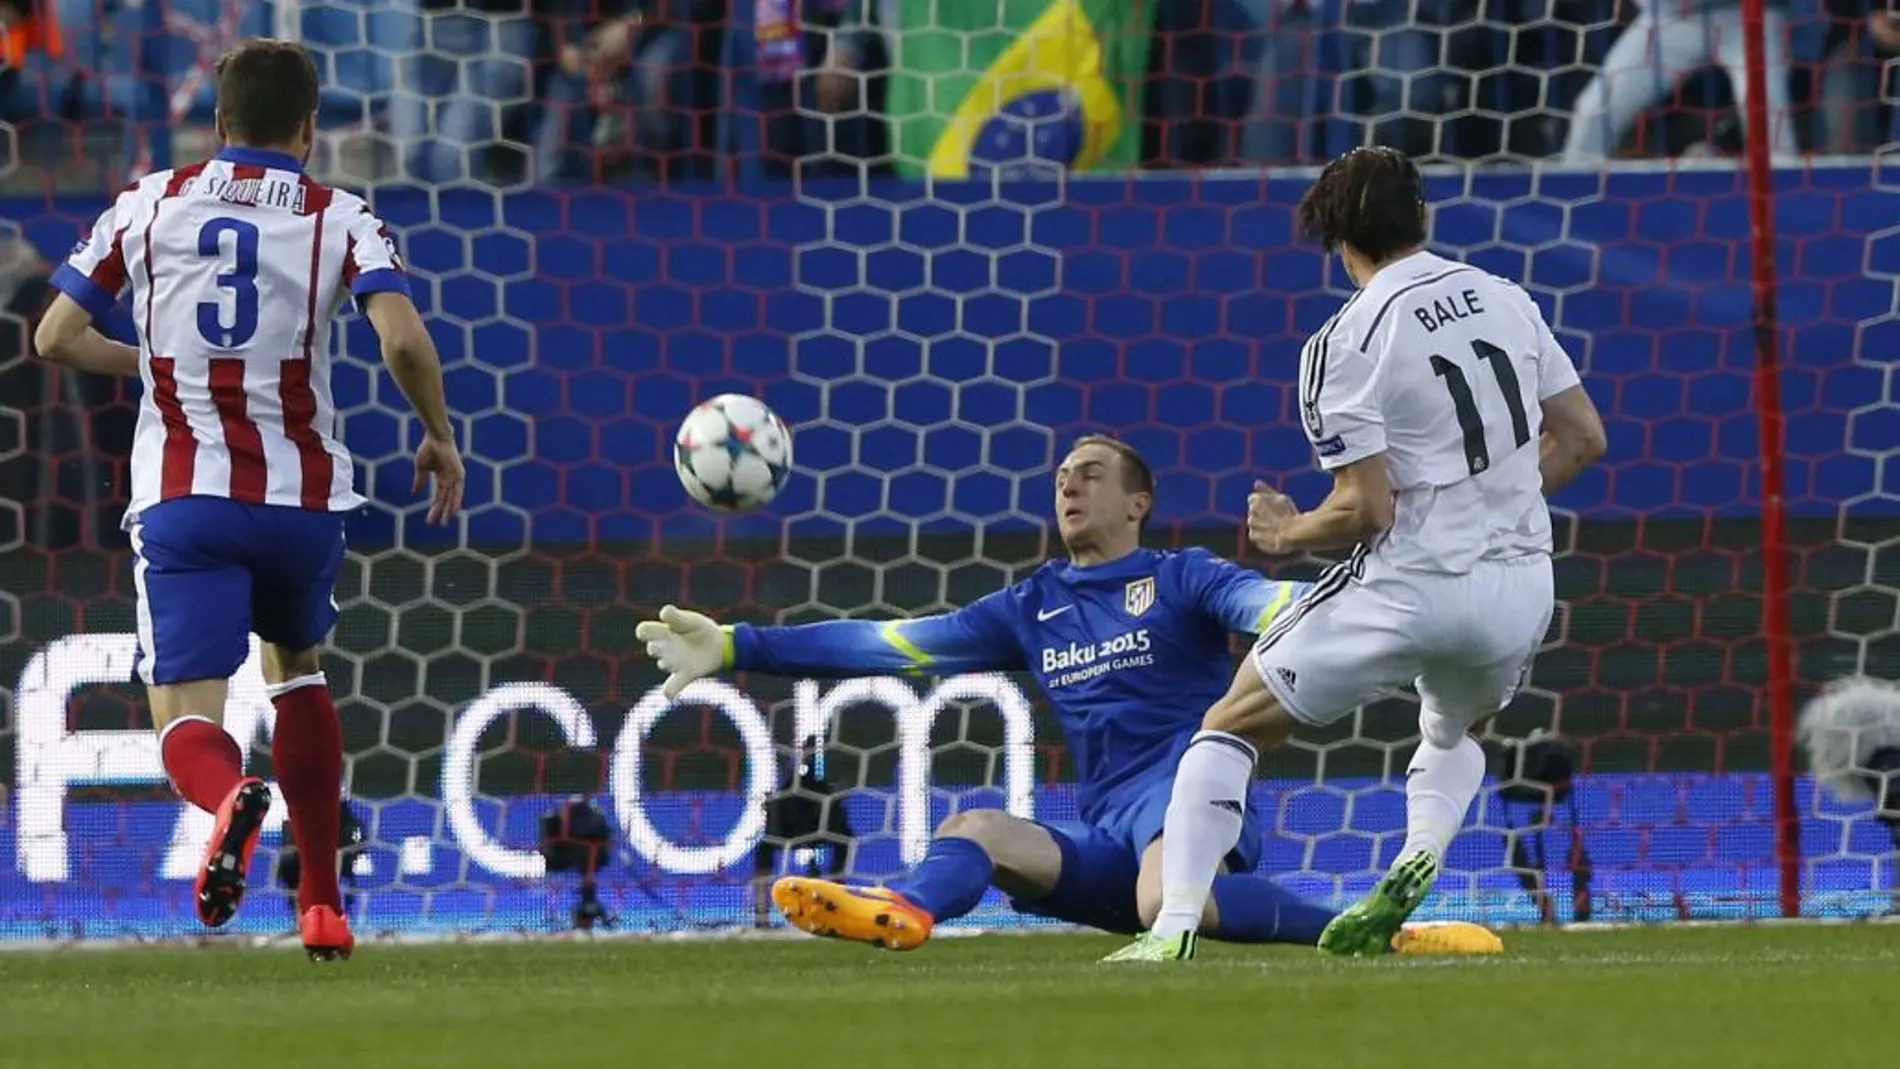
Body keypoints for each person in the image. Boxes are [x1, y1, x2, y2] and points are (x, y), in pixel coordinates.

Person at [636, 435, 1502, 955]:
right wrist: (739, 643)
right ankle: (900, 907)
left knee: (1171, 903)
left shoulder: (1181, 576)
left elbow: (1267, 604)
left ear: (1139, 501)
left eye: (1090, 472)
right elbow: (891, 642)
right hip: (1107, 829)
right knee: (975, 828)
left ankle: (1373, 931)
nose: (1070, 486)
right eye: (1061, 477)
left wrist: (1332, 609)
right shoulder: (1031, 605)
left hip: (1185, 801)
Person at [1104, 147, 1608, 963]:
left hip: (1413, 584)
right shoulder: (1509, 300)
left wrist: (1286, 531)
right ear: (1423, 218)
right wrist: (1501, 499)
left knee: (1227, 726)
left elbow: (1363, 510)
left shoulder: (1347, 340)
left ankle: (1170, 928)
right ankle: (1422, 854)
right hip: (1520, 589)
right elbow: (1585, 436)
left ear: (1338, 238)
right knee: (1456, 728)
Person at [32, 38, 464, 962]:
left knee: (184, 711)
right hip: (301, 503)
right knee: (296, 664)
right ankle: (321, 901)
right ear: (310, 129)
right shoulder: (340, 216)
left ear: (219, 123)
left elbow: (56, 336)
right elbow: (402, 342)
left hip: (186, 498)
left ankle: (230, 798)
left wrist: (156, 368)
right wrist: (439, 433)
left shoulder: (146, 202)